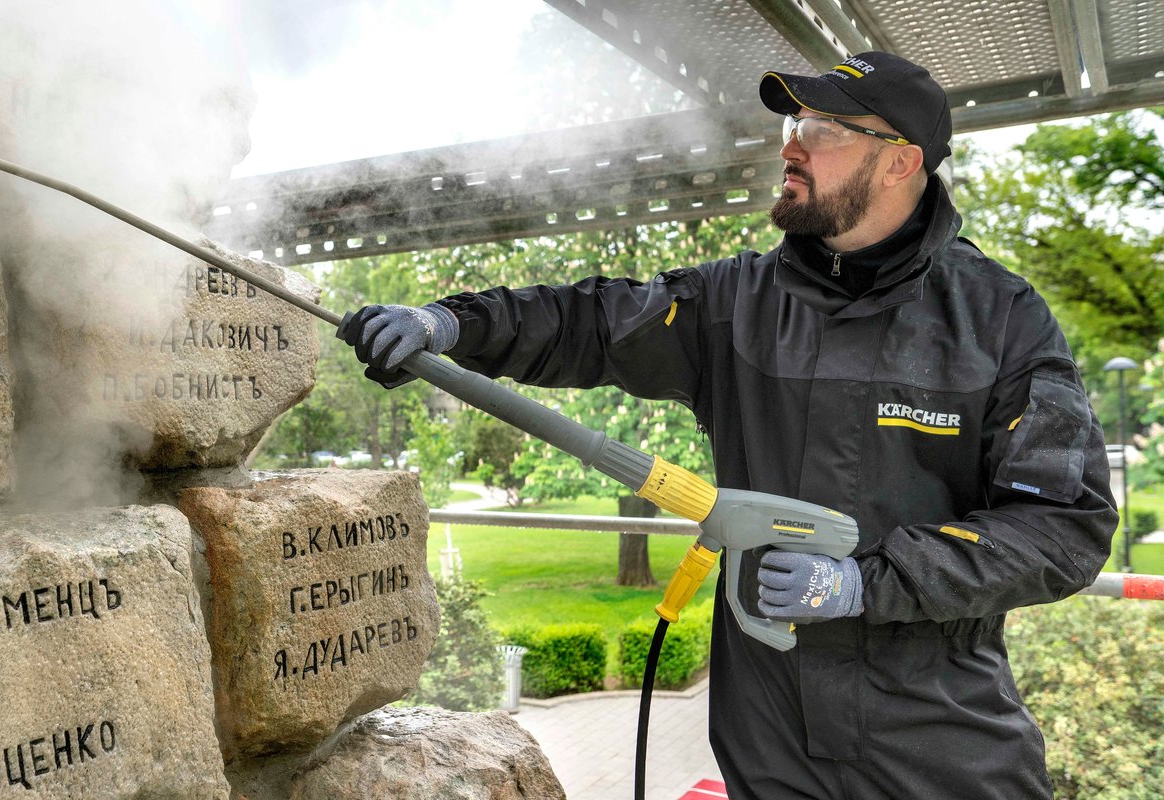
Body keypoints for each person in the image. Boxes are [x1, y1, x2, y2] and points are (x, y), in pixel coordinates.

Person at [341, 51, 1116, 799]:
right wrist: (450, 323)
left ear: (899, 163)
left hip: (941, 741)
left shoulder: (999, 320)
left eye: (823, 129)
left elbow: (1062, 528)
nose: (792, 145)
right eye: (792, 125)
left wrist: (862, 584)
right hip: (767, 739)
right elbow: (591, 321)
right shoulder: (735, 305)